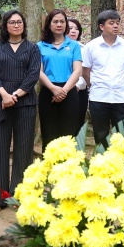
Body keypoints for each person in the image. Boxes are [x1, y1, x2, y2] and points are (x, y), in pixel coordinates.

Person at [0, 10, 40, 210]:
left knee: (23, 149)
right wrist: (4, 95)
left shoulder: (32, 48)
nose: (16, 25)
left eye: (19, 22)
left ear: (24, 25)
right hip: (0, 102)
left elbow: (33, 75)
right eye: (12, 22)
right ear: (5, 25)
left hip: (25, 102)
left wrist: (15, 96)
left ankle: (19, 196)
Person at [82, 10, 124, 147]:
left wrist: (119, 83)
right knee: (101, 135)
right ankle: (103, 159)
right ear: (101, 26)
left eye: (117, 23)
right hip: (99, 97)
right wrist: (94, 86)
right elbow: (85, 71)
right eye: (111, 23)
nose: (115, 26)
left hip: (121, 97)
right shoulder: (91, 46)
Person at [37, 10, 85, 146]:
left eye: (62, 21)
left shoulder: (74, 45)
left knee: (68, 134)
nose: (59, 24)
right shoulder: (40, 46)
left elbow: (77, 71)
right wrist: (53, 88)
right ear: (49, 24)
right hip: (48, 91)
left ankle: (67, 160)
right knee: (49, 133)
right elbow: (38, 71)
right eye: (55, 21)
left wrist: (64, 91)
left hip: (69, 91)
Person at [66, 17, 89, 129]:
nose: (73, 31)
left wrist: (78, 85)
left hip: (80, 91)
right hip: (61, 89)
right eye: (70, 28)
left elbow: (86, 70)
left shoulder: (84, 48)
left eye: (76, 28)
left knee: (78, 122)